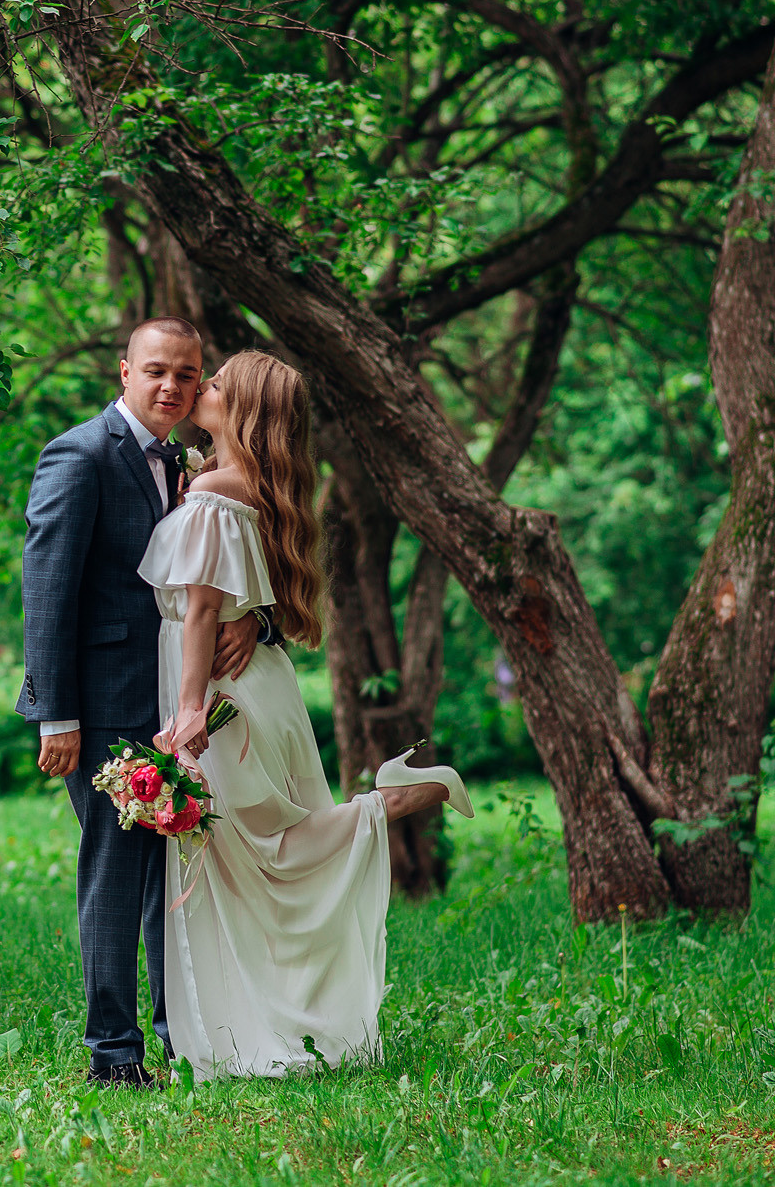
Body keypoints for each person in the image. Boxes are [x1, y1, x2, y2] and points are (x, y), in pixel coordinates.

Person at [146, 350, 473, 1080]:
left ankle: (388, 801)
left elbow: (201, 610)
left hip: (222, 692)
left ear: (246, 410)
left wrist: (190, 709)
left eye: (219, 383)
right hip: (261, 680)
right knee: (253, 852)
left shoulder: (216, 495)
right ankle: (261, 1018)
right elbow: (234, 601)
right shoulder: (238, 485)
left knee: (258, 853)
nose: (204, 386)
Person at [18, 318, 274, 1088]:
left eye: (188, 375)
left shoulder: (189, 462)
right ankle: (114, 1055)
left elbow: (212, 569)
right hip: (102, 706)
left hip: (172, 704)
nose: (172, 386)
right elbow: (47, 588)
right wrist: (56, 713)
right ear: (124, 370)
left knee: (174, 878)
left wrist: (253, 624)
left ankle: (183, 1038)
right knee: (115, 873)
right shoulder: (81, 454)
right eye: (157, 370)